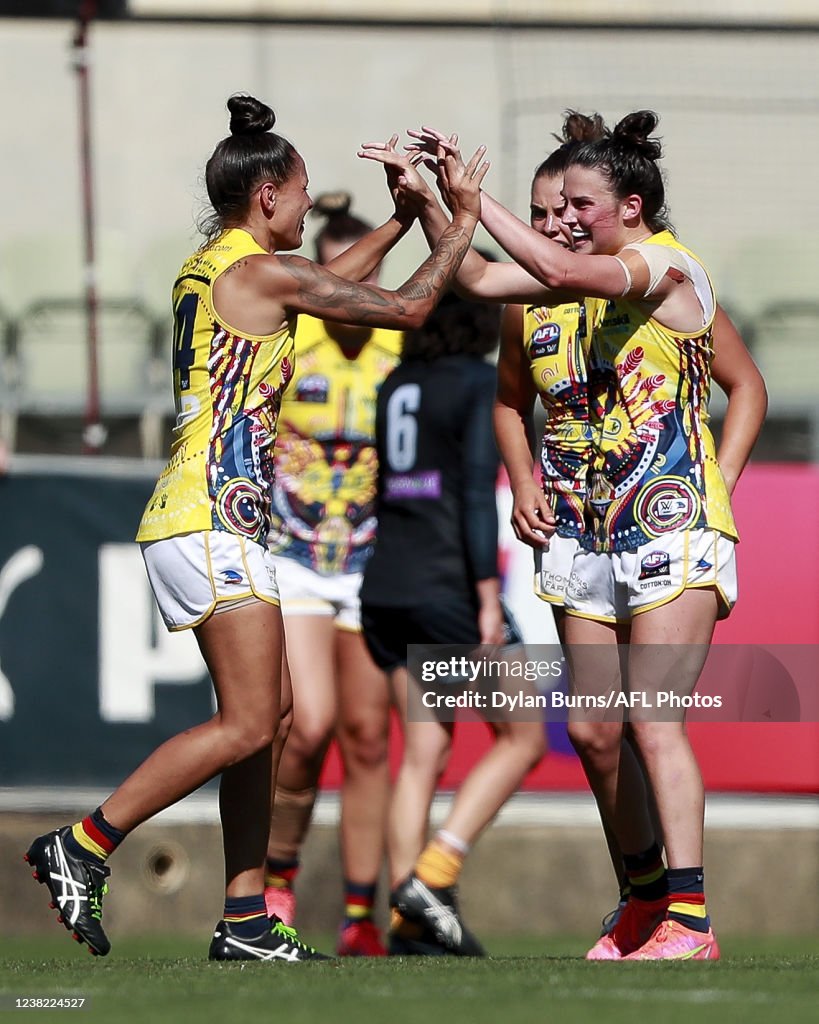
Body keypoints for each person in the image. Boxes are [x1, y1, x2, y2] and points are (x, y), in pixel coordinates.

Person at [23, 93, 487, 962]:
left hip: (199, 516)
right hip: (210, 519)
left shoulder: (217, 266)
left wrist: (392, 222)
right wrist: (453, 220)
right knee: (248, 724)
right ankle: (84, 844)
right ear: (268, 193)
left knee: (268, 716)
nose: (311, 206)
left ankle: (244, 919)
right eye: (304, 192)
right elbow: (408, 308)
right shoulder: (261, 273)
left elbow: (332, 282)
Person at [413, 111, 766, 960]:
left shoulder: (664, 264)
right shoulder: (548, 294)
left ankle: (689, 920)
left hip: (666, 521)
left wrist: (716, 481)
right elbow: (478, 285)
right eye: (550, 207)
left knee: (652, 717)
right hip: (579, 529)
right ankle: (642, 900)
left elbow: (743, 386)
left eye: (575, 204)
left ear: (630, 208)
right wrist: (430, 200)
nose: (559, 220)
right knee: (598, 729)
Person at [359, 288, 546, 957]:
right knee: (523, 737)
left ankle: (406, 922)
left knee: (423, 756)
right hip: (448, 590)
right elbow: (473, 493)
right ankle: (432, 880)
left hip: (386, 587)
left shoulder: (394, 383)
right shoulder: (474, 382)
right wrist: (488, 595)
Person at [264, 191, 402, 957]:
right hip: (296, 555)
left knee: (367, 736)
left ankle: (359, 914)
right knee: (306, 723)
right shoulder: (293, 340)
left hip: (374, 562)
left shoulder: (398, 348)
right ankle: (276, 878)